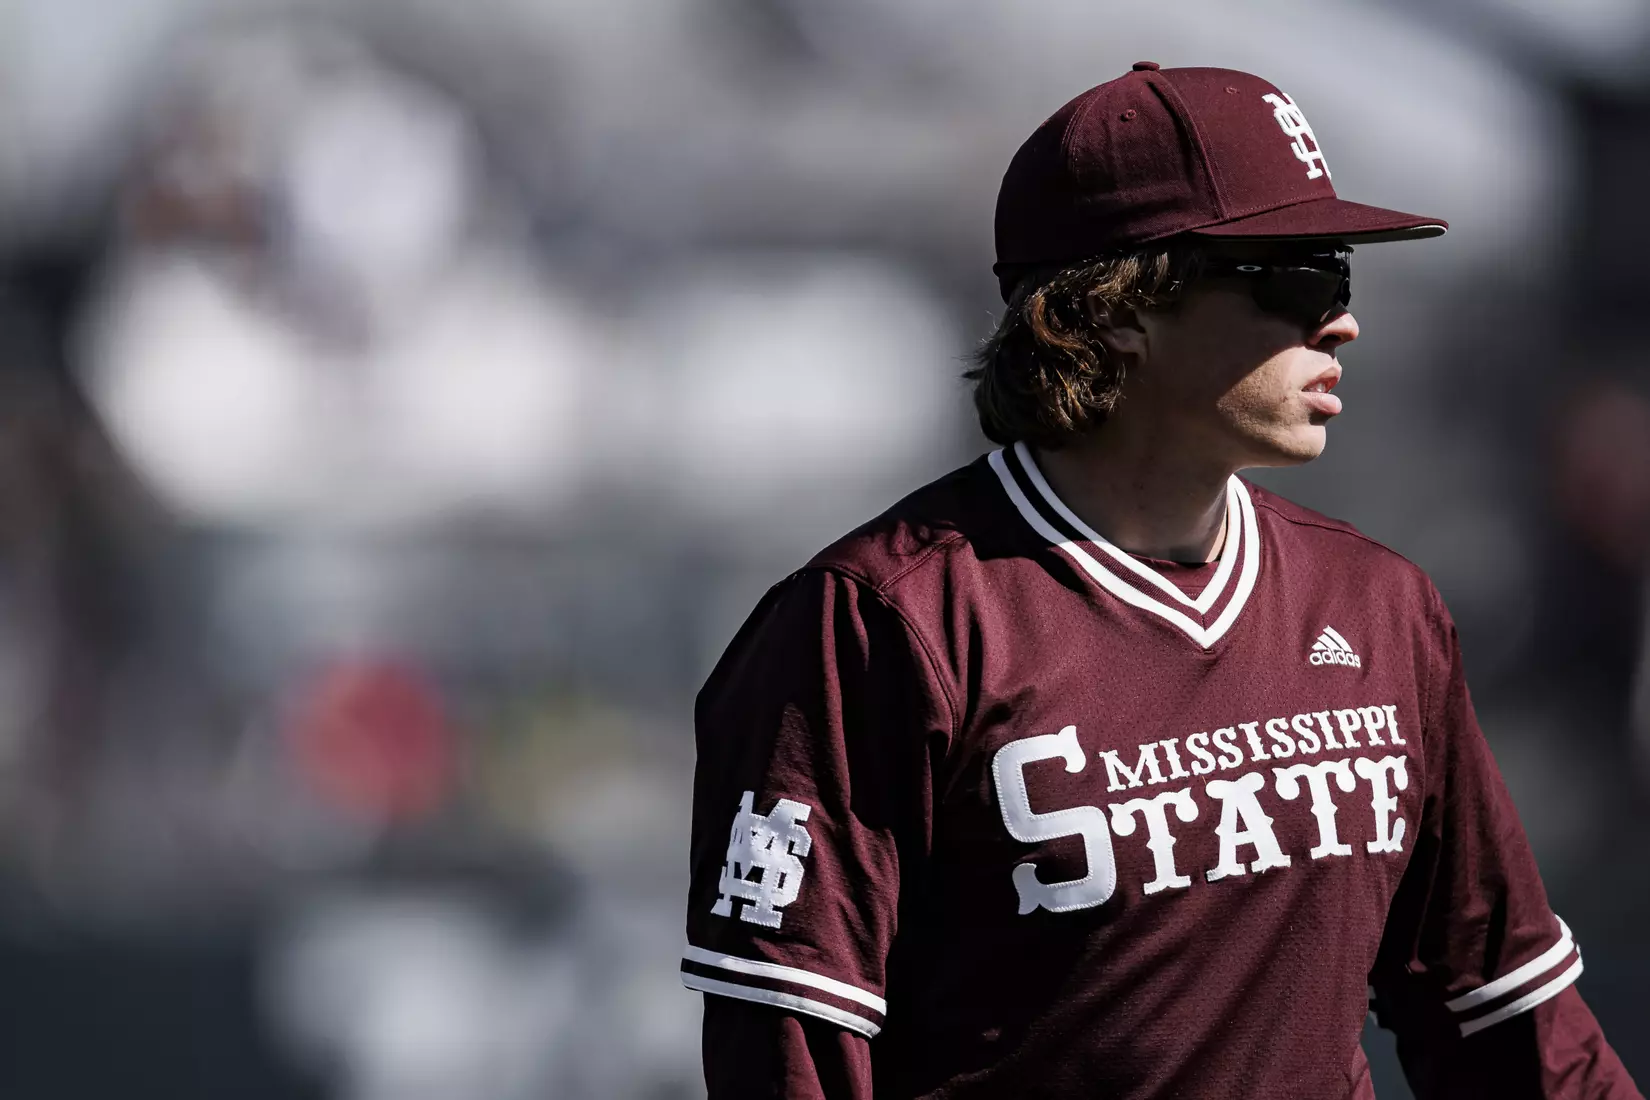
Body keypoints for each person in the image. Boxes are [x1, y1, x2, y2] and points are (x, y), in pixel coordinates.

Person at [680, 62, 1642, 1098]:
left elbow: (1502, 1008)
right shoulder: (881, 623)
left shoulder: (1379, 605)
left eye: (1342, 279)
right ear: (1122, 309)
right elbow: (792, 1059)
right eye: (1295, 279)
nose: (1341, 323)